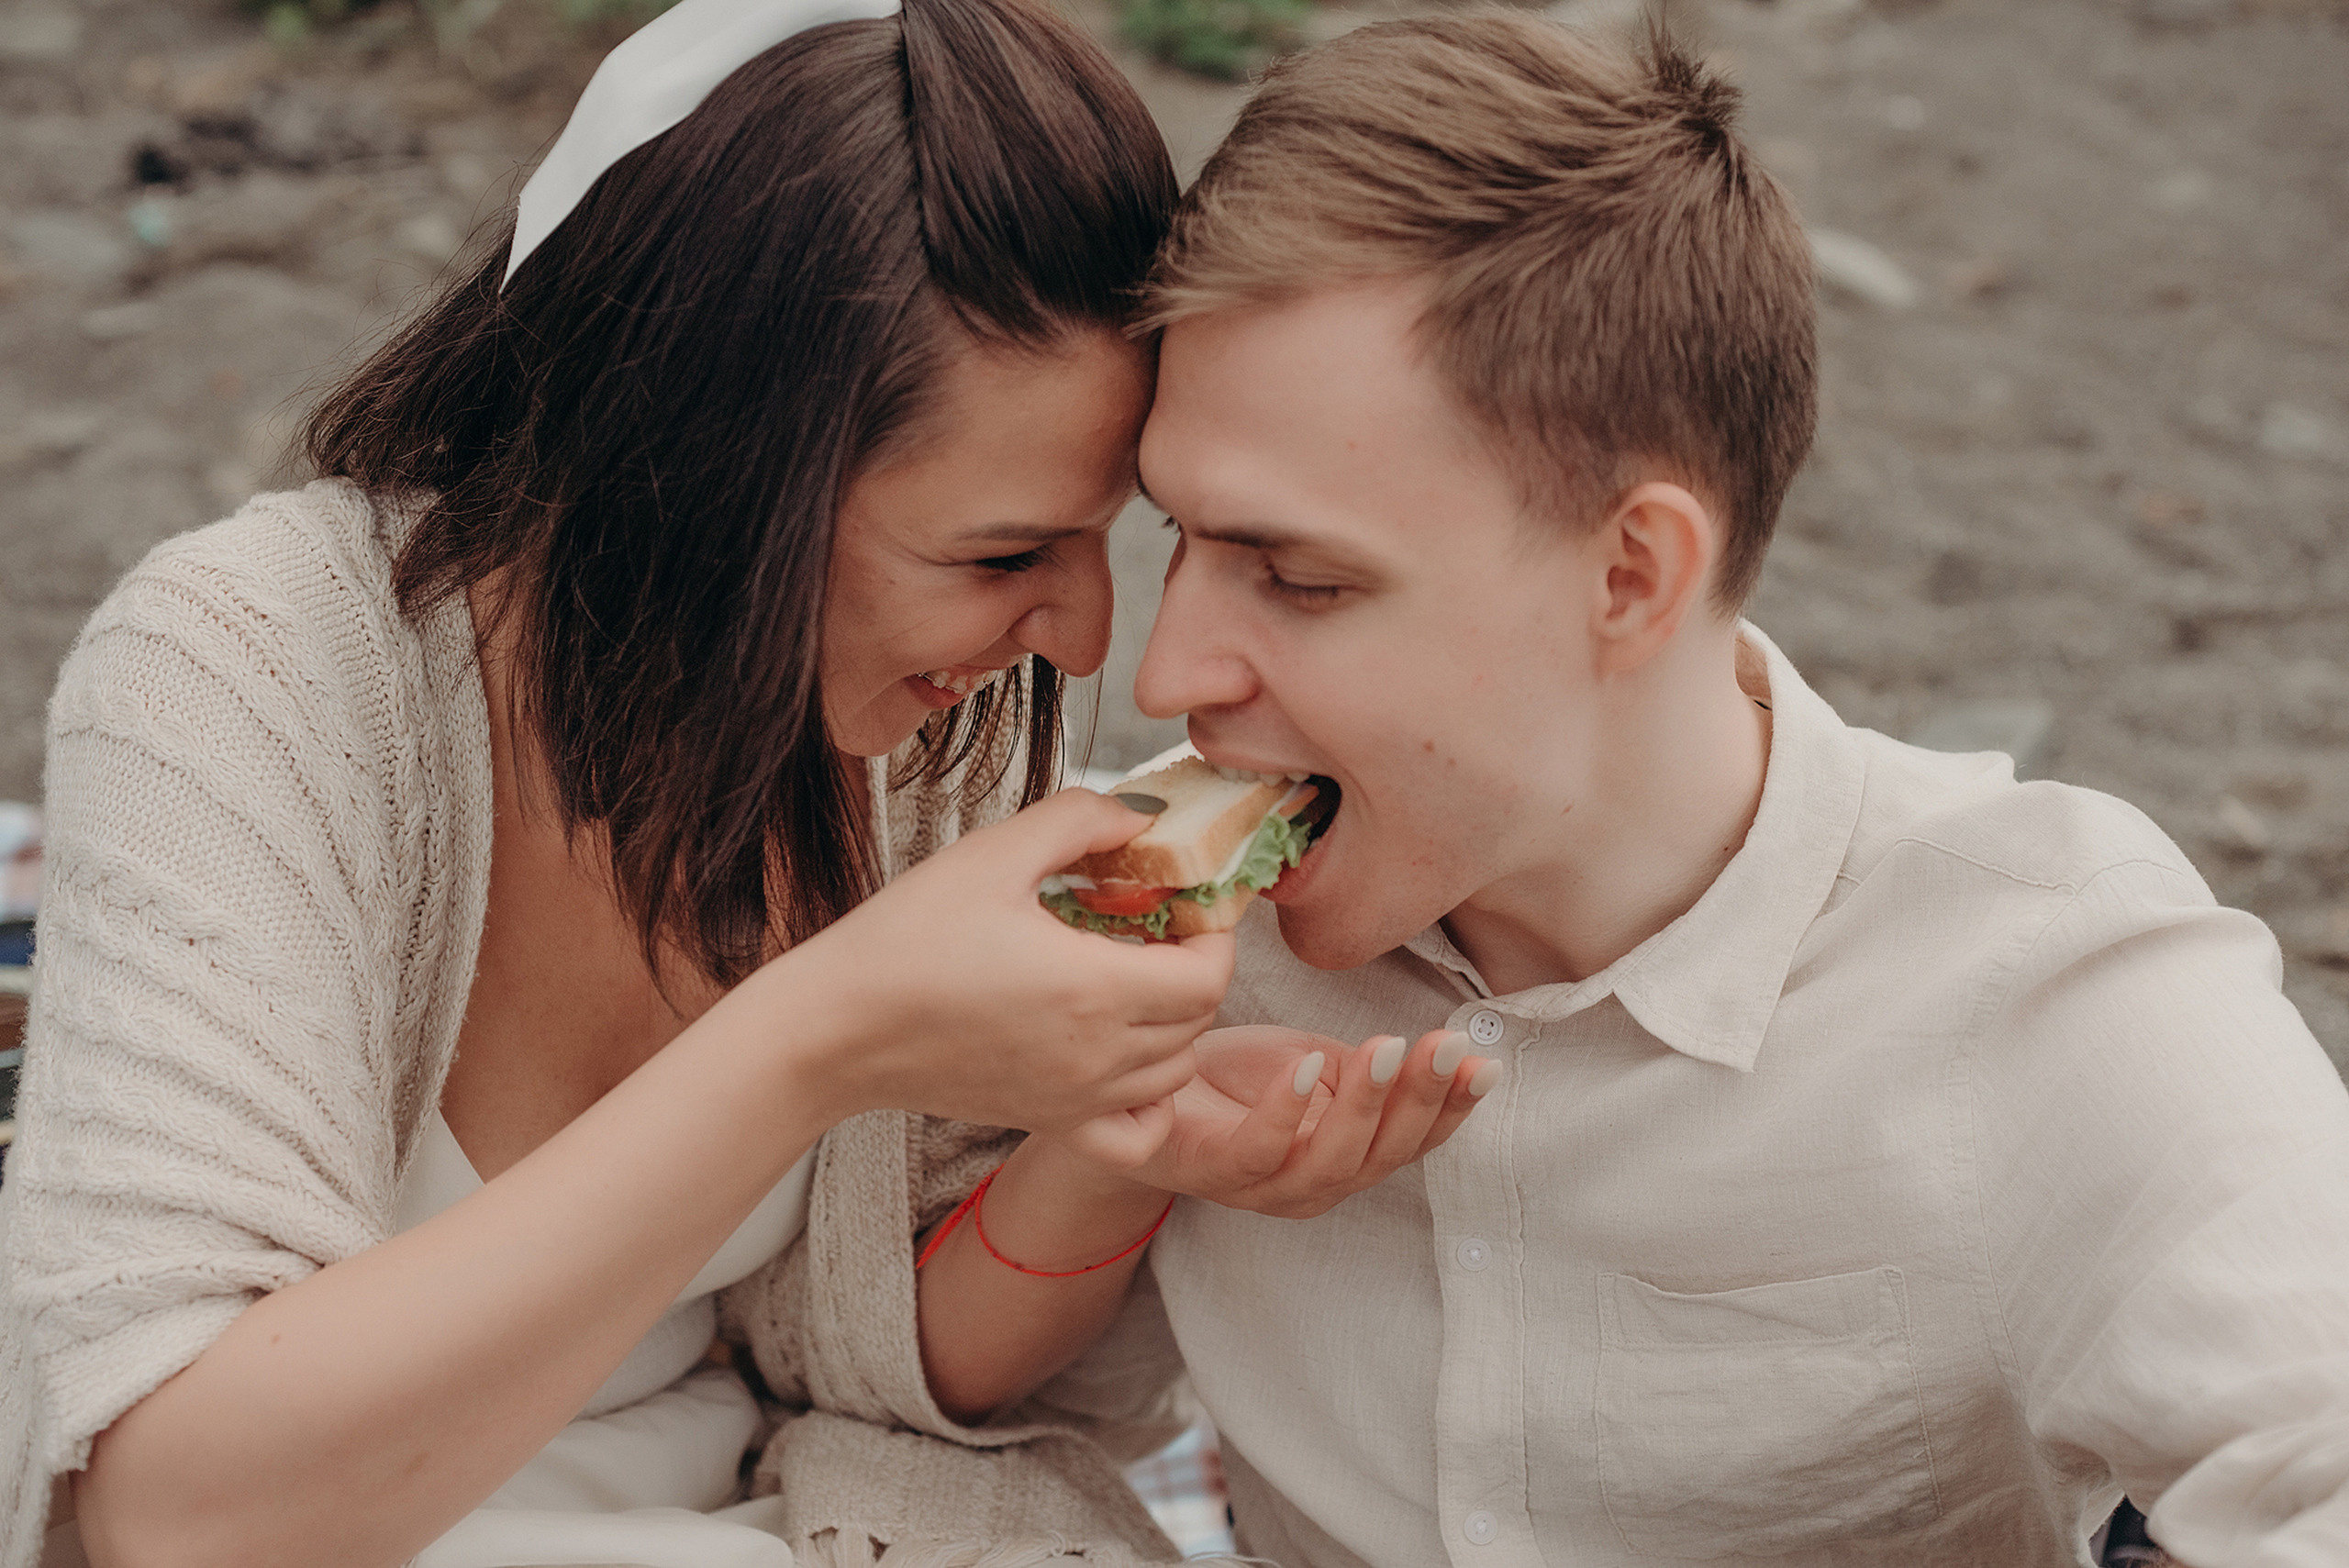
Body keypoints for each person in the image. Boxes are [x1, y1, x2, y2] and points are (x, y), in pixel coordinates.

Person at [854, 12, 2349, 1567]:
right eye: (1185, 541)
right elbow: (915, 1391)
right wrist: (1100, 1147)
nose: (1167, 678)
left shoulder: (2043, 987)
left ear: (1629, 575)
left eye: (1296, 578)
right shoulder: (1173, 923)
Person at [0, 1, 1252, 1564]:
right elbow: (180, 1517)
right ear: (706, 478)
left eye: (1104, 535)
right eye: (1002, 554)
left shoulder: (925, 735)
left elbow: (856, 1358)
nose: (1080, 643)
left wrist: (1118, 1142)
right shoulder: (248, 672)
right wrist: (817, 1036)